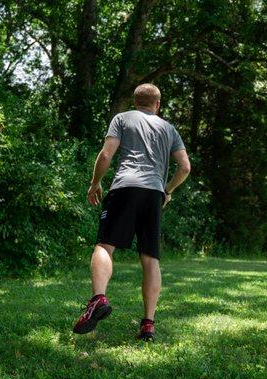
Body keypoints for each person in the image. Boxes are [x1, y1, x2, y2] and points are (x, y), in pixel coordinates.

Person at [72, 83, 191, 341]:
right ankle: (148, 324)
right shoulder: (168, 129)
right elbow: (185, 167)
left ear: (136, 101)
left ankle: (98, 299)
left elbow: (106, 155)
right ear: (158, 104)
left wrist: (95, 183)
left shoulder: (122, 119)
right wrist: (167, 190)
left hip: (125, 187)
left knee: (105, 246)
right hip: (153, 194)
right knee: (150, 258)